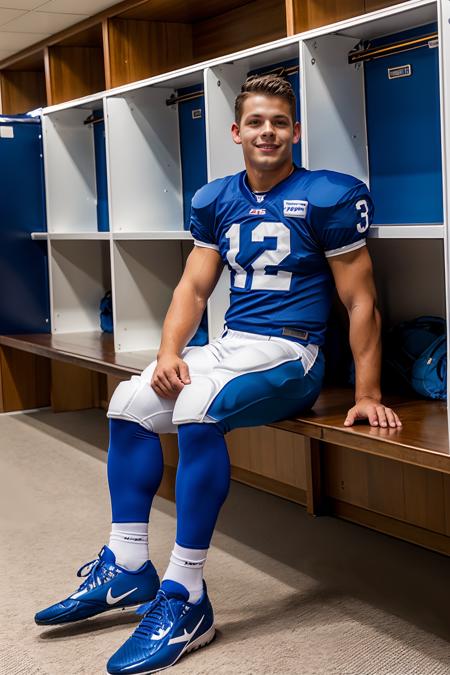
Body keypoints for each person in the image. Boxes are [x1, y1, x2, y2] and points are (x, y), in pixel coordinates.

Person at [35, 74, 402, 674]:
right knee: (129, 402)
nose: (267, 132)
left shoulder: (330, 195)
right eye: (256, 122)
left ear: (296, 131)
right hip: (231, 345)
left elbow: (360, 300)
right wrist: (170, 351)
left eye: (279, 123)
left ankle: (187, 596)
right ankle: (127, 568)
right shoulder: (215, 199)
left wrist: (367, 393)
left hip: (293, 354)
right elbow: (194, 285)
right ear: (236, 132)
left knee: (197, 405)